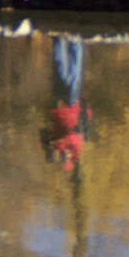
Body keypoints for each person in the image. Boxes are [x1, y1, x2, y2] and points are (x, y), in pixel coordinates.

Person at [44, 35, 91, 171]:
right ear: (72, 158)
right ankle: (76, 42)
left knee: (60, 69)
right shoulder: (78, 147)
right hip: (72, 104)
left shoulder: (56, 147)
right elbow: (75, 133)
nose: (65, 154)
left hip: (58, 106)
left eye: (64, 157)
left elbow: (45, 132)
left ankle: (59, 39)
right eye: (67, 157)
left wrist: (50, 148)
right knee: (74, 73)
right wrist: (62, 140)